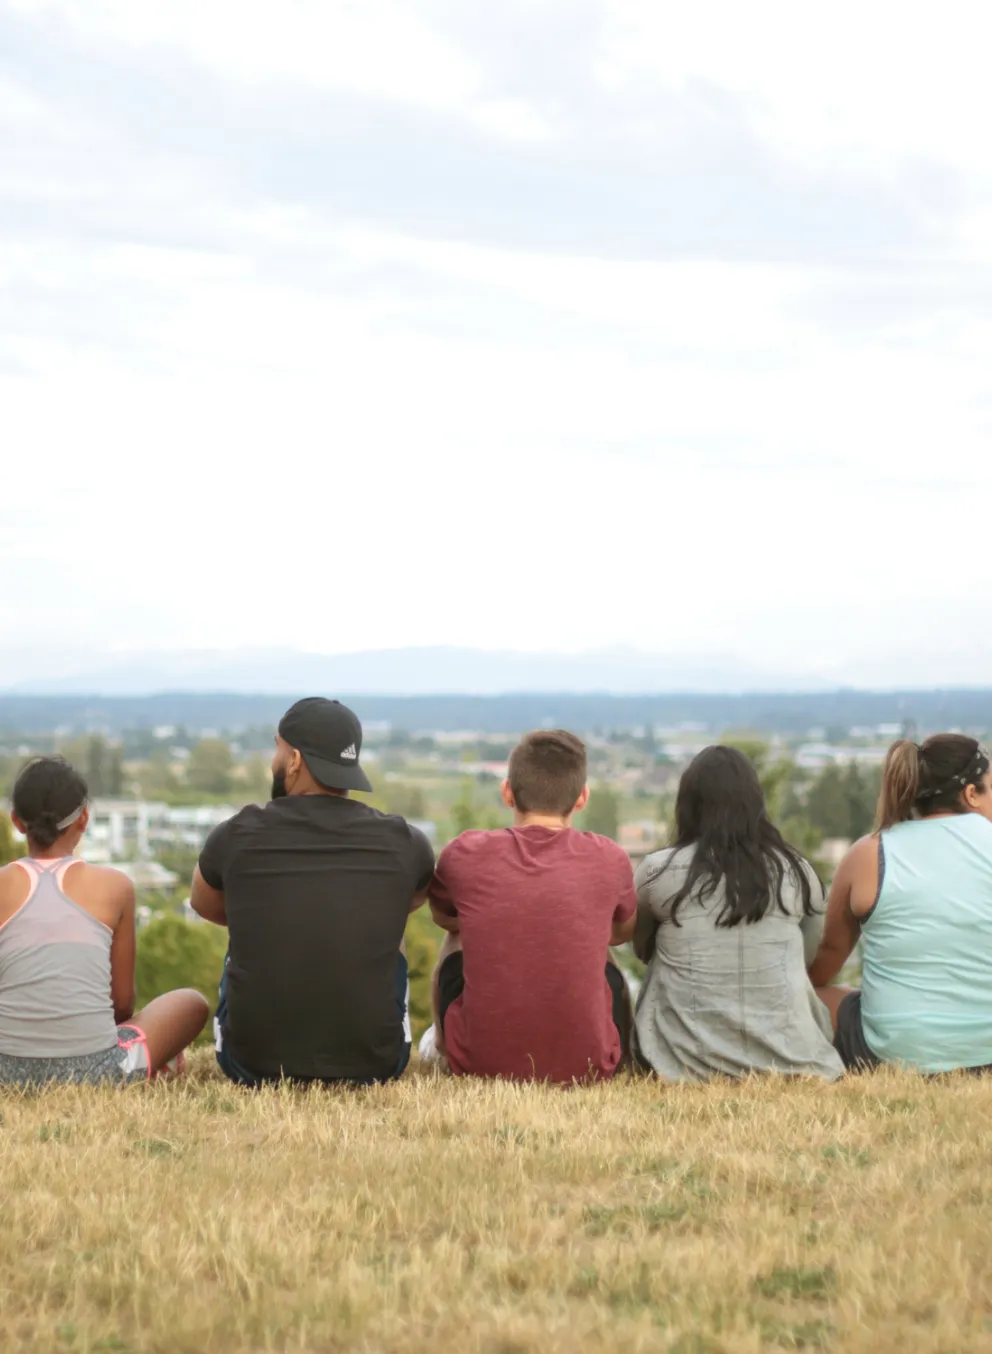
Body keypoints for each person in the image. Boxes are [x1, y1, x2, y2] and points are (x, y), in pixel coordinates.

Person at [191, 698, 433, 1086]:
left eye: (278, 748)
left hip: (250, 1065)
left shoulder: (236, 833)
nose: (274, 760)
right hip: (376, 1063)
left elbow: (203, 903)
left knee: (247, 928)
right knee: (389, 927)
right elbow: (410, 902)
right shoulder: (406, 841)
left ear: (295, 760)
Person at [425, 729, 636, 1084]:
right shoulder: (610, 859)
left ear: (508, 792)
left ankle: (445, 1045)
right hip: (589, 1067)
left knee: (456, 937)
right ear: (581, 798)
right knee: (600, 949)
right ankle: (622, 1052)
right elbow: (621, 934)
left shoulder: (464, 854)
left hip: (478, 1064)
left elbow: (443, 917)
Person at [633, 746, 843, 1083]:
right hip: (793, 1062)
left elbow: (642, 948)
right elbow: (808, 957)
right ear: (756, 804)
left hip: (682, 1064)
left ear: (686, 805)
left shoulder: (658, 872)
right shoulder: (798, 872)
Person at [0, 757, 208, 1087]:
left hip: (5, 1072)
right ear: (84, 818)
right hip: (96, 1071)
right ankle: (155, 1060)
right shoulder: (115, 886)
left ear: (15, 820)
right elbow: (122, 1003)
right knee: (191, 1003)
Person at [810, 735, 992, 1074]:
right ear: (971, 794)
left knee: (819, 997)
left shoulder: (868, 853)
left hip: (889, 1055)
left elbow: (823, 967)